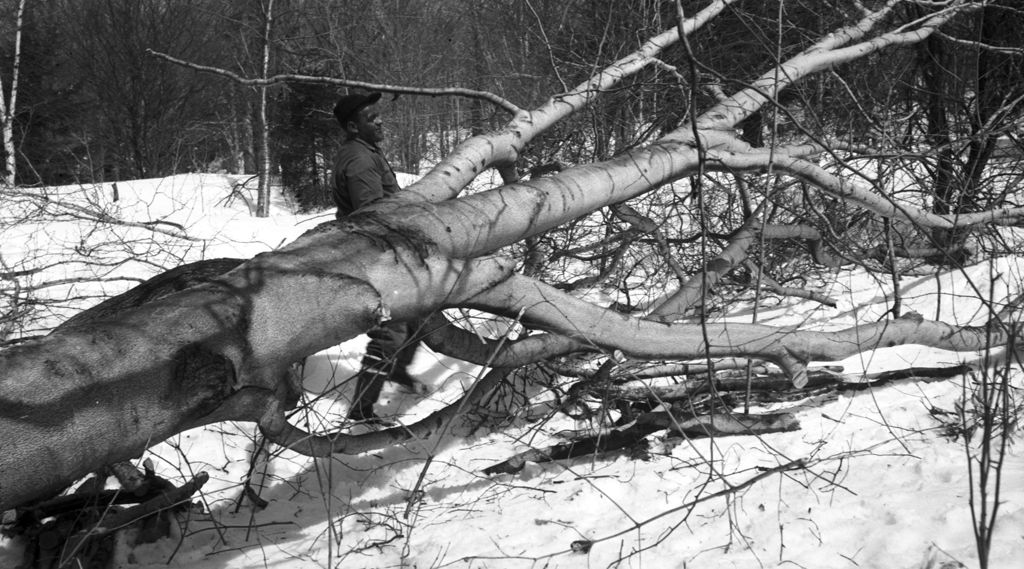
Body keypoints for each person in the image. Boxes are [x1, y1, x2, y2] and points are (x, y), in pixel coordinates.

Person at [332, 91, 421, 423]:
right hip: (377, 255)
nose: (381, 121)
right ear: (354, 127)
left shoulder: (365, 153)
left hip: (387, 250)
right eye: (372, 119)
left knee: (420, 315)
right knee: (393, 331)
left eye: (379, 115)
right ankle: (361, 410)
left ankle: (396, 371)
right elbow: (373, 217)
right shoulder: (359, 160)